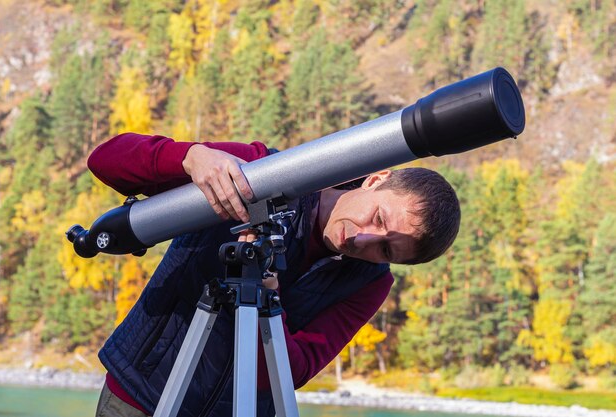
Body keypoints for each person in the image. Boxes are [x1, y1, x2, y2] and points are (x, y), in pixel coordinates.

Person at [89, 132, 460, 417]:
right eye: (378, 218)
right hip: (139, 396)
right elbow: (105, 160)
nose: (363, 240)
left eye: (385, 250)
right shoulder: (267, 173)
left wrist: (269, 301)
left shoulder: (369, 282)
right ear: (375, 180)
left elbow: (292, 371)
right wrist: (190, 157)